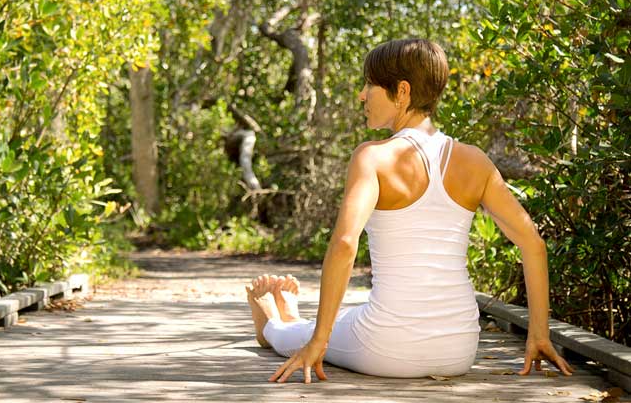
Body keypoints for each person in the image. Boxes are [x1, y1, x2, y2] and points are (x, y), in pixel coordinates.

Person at [245, 38, 574, 383]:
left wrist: (319, 341)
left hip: (388, 348)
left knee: (301, 336)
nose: (362, 95)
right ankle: (292, 314)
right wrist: (539, 334)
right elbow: (533, 244)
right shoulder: (476, 161)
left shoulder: (372, 157)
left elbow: (344, 243)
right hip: (459, 350)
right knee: (350, 318)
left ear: (401, 91)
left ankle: (272, 326)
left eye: (370, 85)